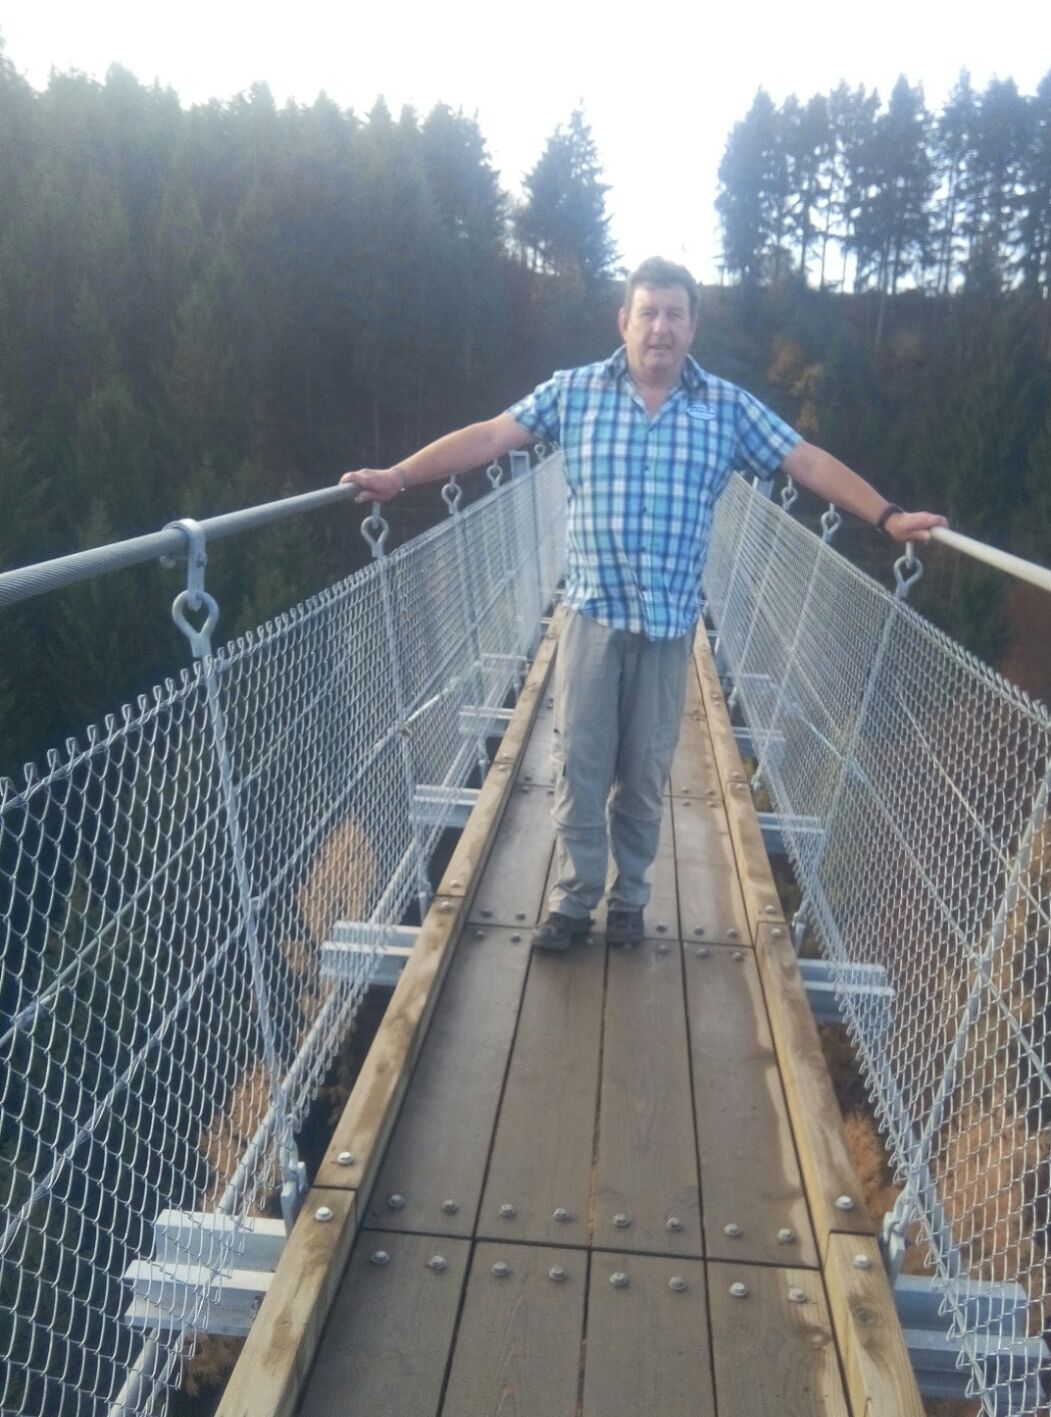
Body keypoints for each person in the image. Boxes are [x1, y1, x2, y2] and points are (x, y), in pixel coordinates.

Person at [342, 256, 945, 952]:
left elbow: (804, 460)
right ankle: (574, 900)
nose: (661, 328)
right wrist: (400, 475)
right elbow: (489, 436)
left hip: (668, 629)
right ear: (624, 321)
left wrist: (887, 515)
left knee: (645, 775)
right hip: (592, 617)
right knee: (580, 766)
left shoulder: (726, 408)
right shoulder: (574, 392)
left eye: (674, 315)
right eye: (649, 313)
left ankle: (629, 899)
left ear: (692, 327)